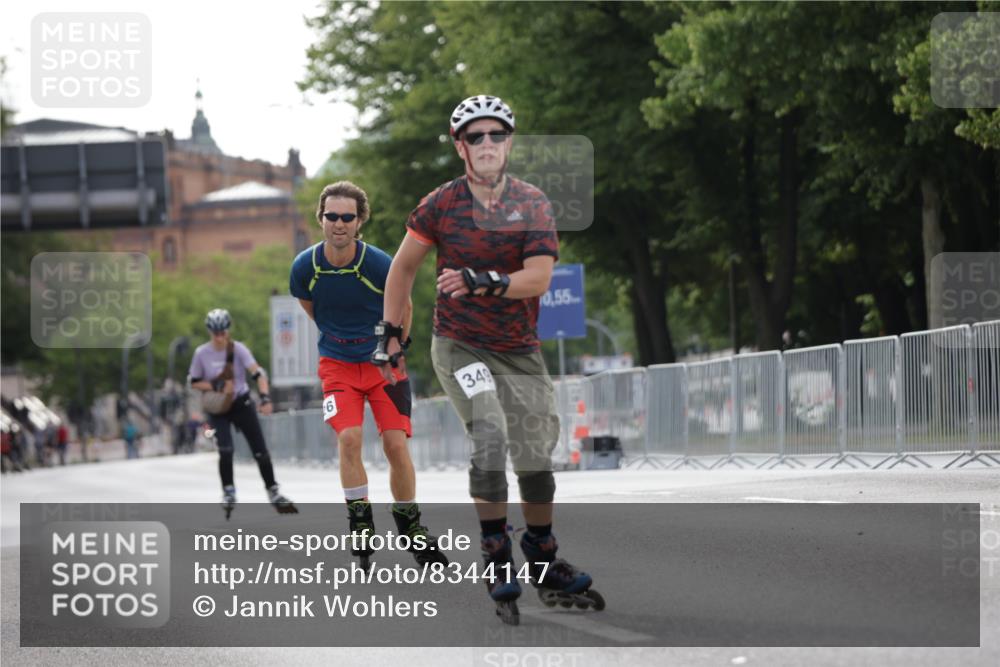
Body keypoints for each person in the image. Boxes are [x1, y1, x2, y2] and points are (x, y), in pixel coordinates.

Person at [376, 95, 602, 623]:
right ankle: (496, 552)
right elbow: (404, 268)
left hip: (519, 350)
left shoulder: (533, 204)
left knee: (535, 454)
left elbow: (538, 278)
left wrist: (481, 281)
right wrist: (390, 332)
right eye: (474, 137)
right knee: (491, 431)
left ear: (509, 142)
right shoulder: (440, 204)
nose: (486, 145)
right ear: (460, 146)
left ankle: (542, 555)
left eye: (495, 135)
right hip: (459, 345)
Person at [289, 180, 447, 569]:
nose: (339, 224)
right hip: (337, 365)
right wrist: (341, 338)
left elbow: (404, 306)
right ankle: (360, 522)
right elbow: (313, 309)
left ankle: (410, 525)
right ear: (320, 219)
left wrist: (396, 347)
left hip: (382, 363)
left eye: (347, 217)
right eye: (332, 216)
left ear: (360, 222)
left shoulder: (378, 263)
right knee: (349, 438)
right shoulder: (304, 266)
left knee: (395, 445)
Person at [188, 308, 297, 517]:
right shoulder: (201, 353)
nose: (220, 337)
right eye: (215, 333)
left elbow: (258, 372)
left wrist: (265, 397)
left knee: (260, 449)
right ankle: (228, 490)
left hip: (241, 402)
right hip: (218, 407)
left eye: (223, 332)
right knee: (226, 449)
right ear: (210, 332)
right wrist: (217, 384)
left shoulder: (237, 349)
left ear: (228, 330)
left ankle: (273, 490)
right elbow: (193, 382)